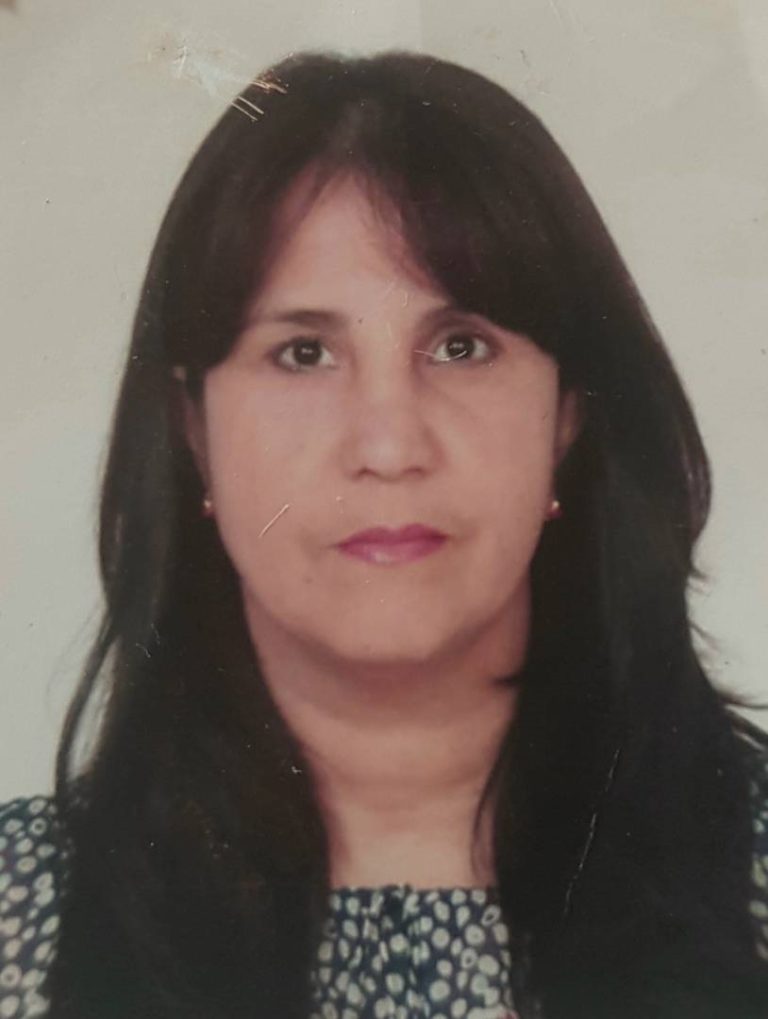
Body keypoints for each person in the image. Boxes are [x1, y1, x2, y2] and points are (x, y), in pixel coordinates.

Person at [1, 49, 767, 1019]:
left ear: (568, 415)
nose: (390, 444)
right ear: (193, 430)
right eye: (303, 352)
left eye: (461, 346)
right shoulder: (21, 907)